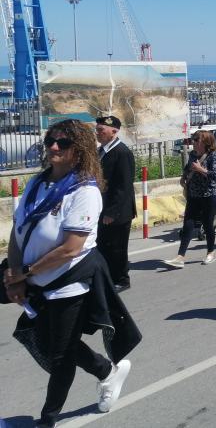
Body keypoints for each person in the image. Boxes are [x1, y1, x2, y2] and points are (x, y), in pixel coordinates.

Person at [3, 119, 141, 427]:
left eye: (62, 143)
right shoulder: (38, 183)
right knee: (49, 341)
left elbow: (70, 248)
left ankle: (47, 420)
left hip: (69, 283)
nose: (53, 146)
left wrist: (25, 272)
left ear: (78, 150)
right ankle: (107, 371)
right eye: (50, 140)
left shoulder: (85, 191)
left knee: (61, 353)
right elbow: (19, 229)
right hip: (33, 279)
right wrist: (14, 274)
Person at [163, 130, 216, 268]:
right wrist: (184, 177)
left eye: (196, 140)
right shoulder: (192, 155)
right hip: (194, 194)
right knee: (188, 224)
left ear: (205, 142)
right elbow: (188, 168)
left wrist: (201, 169)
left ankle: (210, 252)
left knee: (207, 224)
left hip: (209, 195)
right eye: (193, 139)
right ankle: (180, 256)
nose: (193, 142)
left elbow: (215, 176)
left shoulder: (214, 156)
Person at [94, 115, 136, 293]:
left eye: (101, 130)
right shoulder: (101, 151)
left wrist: (112, 212)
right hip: (102, 209)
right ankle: (107, 278)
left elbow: (123, 186)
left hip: (118, 211)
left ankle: (121, 279)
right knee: (103, 246)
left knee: (117, 248)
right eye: (97, 130)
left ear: (114, 131)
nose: (98, 133)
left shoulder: (122, 152)